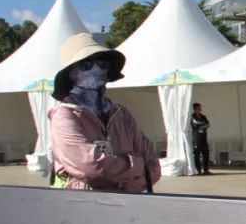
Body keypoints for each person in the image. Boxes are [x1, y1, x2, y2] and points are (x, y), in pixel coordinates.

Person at [48, 33, 161, 193]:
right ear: (71, 73)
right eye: (87, 64)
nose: (97, 70)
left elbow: (153, 166)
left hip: (129, 202)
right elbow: (92, 167)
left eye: (102, 63)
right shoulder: (64, 116)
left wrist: (129, 185)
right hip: (84, 203)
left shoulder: (121, 115)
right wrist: (135, 165)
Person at [191, 102, 212, 175]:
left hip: (204, 137)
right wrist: (203, 125)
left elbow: (208, 124)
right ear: (195, 109)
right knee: (197, 154)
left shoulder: (203, 116)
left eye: (200, 108)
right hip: (197, 138)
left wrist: (201, 126)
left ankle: (206, 170)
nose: (200, 109)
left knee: (206, 153)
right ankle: (198, 170)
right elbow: (195, 124)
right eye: (199, 108)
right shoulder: (192, 117)